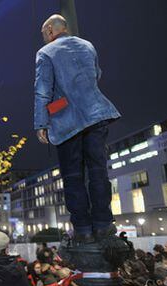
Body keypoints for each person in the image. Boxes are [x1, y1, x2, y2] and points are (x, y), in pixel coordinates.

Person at [34, 14, 121, 243]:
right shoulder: (88, 45)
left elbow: (43, 90)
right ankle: (103, 224)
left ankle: (82, 229)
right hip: (96, 114)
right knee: (98, 172)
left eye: (44, 34)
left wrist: (41, 123)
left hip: (67, 121)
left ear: (51, 30)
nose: (44, 38)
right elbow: (96, 74)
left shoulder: (46, 53)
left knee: (73, 177)